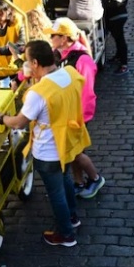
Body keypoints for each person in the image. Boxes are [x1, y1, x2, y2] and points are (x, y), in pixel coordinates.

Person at [0, 39, 89, 246]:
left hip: (48, 150)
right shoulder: (69, 73)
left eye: (27, 62)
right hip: (67, 142)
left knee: (55, 192)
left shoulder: (39, 92)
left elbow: (18, 122)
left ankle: (66, 234)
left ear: (35, 63)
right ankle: (72, 217)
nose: (26, 65)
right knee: (65, 180)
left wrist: (0, 117)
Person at [44, 18, 104, 198]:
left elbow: (87, 92)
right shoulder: (58, 53)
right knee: (72, 152)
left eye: (53, 35)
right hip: (65, 113)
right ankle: (78, 182)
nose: (51, 38)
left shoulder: (82, 59)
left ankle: (95, 178)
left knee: (77, 152)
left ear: (63, 38)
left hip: (76, 116)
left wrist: (80, 118)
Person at [103, 0, 130, 75]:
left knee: (120, 39)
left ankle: (124, 64)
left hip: (118, 15)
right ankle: (118, 56)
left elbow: (117, 2)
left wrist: (104, 6)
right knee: (116, 38)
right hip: (113, 15)